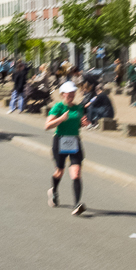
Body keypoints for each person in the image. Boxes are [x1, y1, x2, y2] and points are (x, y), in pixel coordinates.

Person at [45, 81, 86, 215]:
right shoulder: (58, 107)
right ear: (63, 94)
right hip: (60, 140)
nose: (71, 95)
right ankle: (54, 191)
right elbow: (47, 126)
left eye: (73, 92)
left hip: (74, 140)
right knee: (59, 172)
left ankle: (76, 205)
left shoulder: (78, 108)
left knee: (76, 172)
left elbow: (77, 124)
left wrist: (83, 123)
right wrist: (61, 119)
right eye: (69, 93)